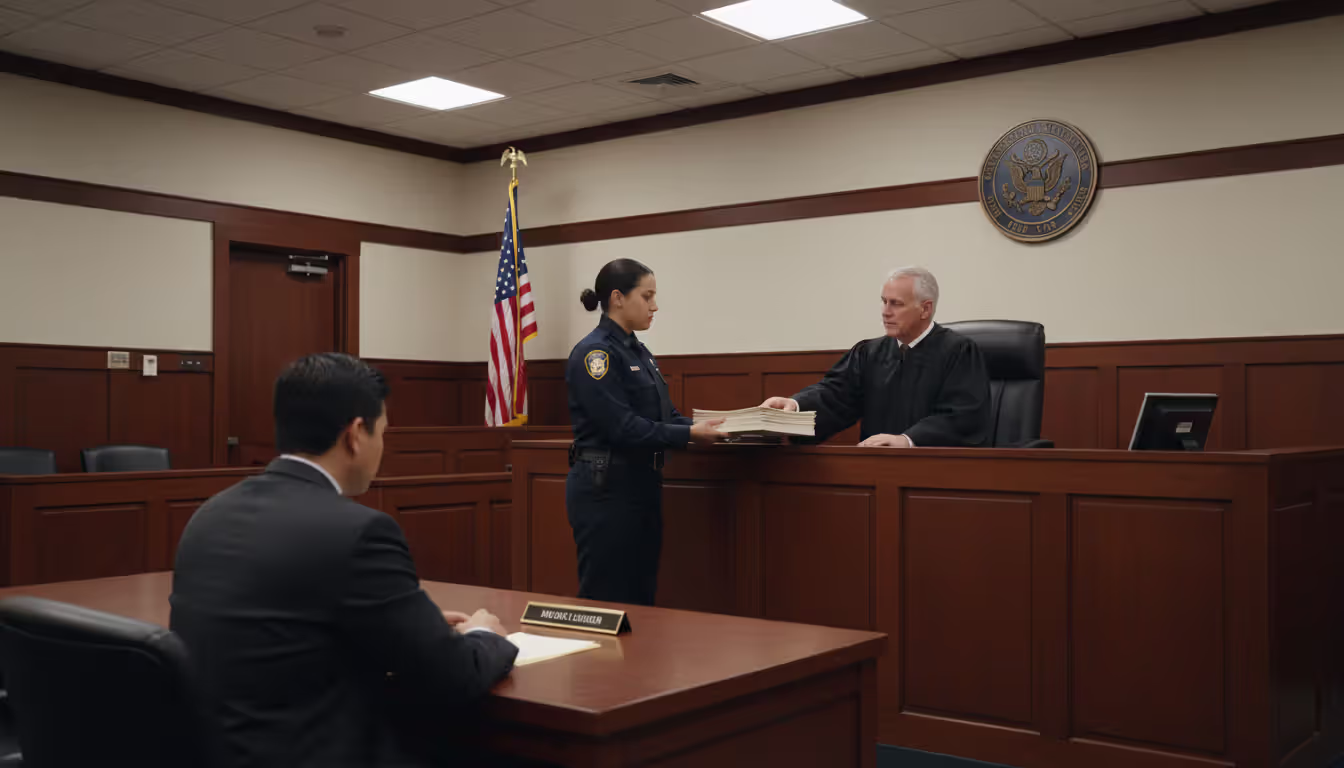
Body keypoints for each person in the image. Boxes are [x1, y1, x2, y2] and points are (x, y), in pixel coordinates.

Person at [170, 353, 518, 768]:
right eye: (383, 432)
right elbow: (450, 676)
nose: (382, 446)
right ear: (355, 435)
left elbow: (286, 628)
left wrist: (404, 622)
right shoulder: (360, 532)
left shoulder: (209, 514)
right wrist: (485, 635)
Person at [566, 259, 726, 606]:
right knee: (607, 595)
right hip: (606, 488)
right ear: (618, 298)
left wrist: (713, 426)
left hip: (640, 483)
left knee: (640, 593)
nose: (654, 306)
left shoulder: (638, 351)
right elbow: (621, 427)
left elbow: (664, 415)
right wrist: (689, 435)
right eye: (647, 296)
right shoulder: (596, 354)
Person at [761, 266, 991, 447]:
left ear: (925, 309)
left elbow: (963, 418)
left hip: (935, 474)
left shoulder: (959, 352)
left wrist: (909, 440)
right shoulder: (869, 353)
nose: (885, 311)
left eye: (896, 304)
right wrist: (795, 405)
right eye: (884, 301)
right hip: (875, 470)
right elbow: (836, 395)